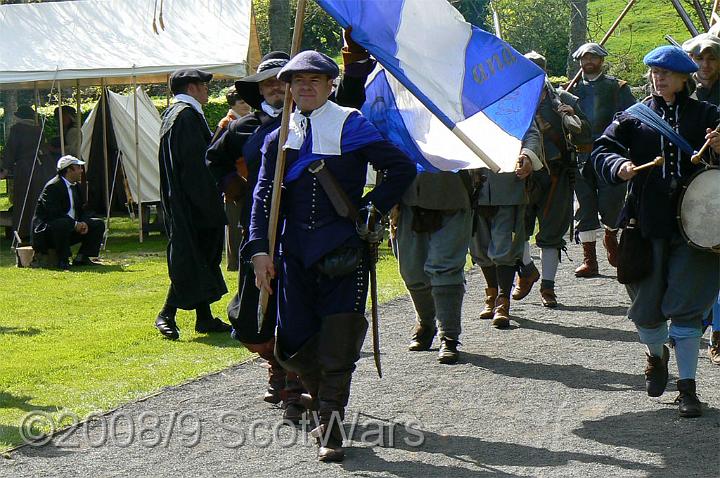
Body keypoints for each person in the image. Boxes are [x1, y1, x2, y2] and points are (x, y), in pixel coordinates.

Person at [244, 51, 416, 462]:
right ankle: (323, 404)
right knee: (295, 341)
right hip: (292, 254)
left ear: (329, 85)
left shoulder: (351, 124)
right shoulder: (277, 135)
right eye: (297, 81)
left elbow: (401, 169)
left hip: (343, 251)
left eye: (314, 80)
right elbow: (263, 195)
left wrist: (371, 210)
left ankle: (331, 427)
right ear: (288, 87)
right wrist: (259, 251)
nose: (305, 87)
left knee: (338, 342)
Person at [206, 36, 375, 422]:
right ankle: (280, 368)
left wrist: (352, 53)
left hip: (316, 238)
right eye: (269, 83)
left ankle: (301, 392)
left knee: (319, 322)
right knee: (258, 319)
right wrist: (235, 187)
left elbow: (351, 92)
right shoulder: (245, 127)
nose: (276, 88)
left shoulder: (332, 121)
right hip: (263, 233)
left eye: (280, 82)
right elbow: (216, 162)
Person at [592, 45, 720, 418]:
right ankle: (656, 355)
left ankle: (688, 389)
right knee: (646, 311)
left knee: (686, 311)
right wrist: (618, 165)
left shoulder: (709, 115)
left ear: (684, 79)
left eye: (666, 72)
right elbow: (602, 150)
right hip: (644, 225)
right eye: (653, 71)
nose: (658, 77)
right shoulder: (632, 118)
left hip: (696, 231)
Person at [155, 68, 231, 340]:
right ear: (191, 87)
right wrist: (209, 202)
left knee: (200, 257)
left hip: (186, 199)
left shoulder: (175, 114)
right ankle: (167, 313)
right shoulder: (185, 117)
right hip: (194, 201)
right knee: (193, 256)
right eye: (203, 85)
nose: (207, 90)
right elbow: (195, 168)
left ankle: (204, 318)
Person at [513, 52, 590, 307]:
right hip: (521, 175)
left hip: (556, 176)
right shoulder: (512, 98)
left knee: (551, 233)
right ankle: (526, 271)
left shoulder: (562, 99)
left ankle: (548, 287)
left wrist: (571, 119)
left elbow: (585, 137)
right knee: (517, 230)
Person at [566, 43, 636, 278]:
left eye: (593, 58)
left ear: (601, 61)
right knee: (584, 207)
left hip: (611, 156)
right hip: (581, 154)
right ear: (579, 62)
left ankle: (610, 236)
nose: (589, 62)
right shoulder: (570, 91)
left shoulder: (618, 88)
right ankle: (590, 260)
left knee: (612, 203)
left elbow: (633, 119)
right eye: (585, 58)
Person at [468, 118, 543, 327]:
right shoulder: (463, 101)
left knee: (505, 248)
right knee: (479, 248)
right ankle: (491, 295)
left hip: (509, 186)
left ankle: (503, 301)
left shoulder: (513, 102)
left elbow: (531, 134)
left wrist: (527, 155)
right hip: (473, 189)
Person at [395, 166, 472, 364]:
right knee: (412, 271)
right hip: (407, 194)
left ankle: (449, 336)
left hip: (452, 193)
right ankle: (426, 323)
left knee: (445, 267)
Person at [682, 33, 720, 365]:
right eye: (699, 59)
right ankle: (693, 323)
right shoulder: (681, 94)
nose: (705, 65)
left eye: (711, 58)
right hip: (688, 191)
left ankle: (718, 331)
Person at [31, 155, 105, 269]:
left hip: (69, 227)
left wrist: (84, 222)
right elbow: (54, 214)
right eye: (78, 167)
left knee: (98, 224)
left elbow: (83, 210)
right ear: (69, 170)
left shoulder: (76, 187)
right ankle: (63, 259)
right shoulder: (53, 187)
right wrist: (75, 224)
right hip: (49, 232)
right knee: (62, 223)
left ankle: (82, 257)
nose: (81, 170)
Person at [212, 86, 253, 272]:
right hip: (235, 185)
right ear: (233, 104)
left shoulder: (247, 121)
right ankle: (235, 262)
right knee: (235, 225)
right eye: (241, 102)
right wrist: (232, 182)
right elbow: (216, 156)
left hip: (248, 181)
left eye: (247, 101)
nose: (246, 105)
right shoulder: (226, 123)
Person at [0, 105, 55, 242]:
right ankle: (39, 229)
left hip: (26, 168)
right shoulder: (38, 129)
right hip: (43, 168)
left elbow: (11, 150)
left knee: (24, 199)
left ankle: (23, 231)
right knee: (37, 199)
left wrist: (5, 169)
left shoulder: (17, 129)